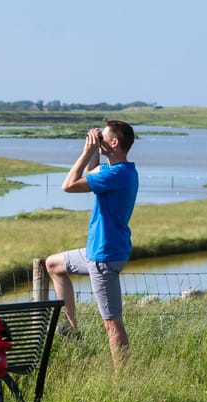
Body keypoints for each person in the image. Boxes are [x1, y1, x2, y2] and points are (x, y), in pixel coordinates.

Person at [45, 120, 138, 364]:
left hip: (103, 257)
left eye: (103, 138)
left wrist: (86, 150)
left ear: (114, 143)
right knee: (52, 264)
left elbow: (69, 185)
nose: (98, 140)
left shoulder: (116, 175)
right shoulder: (123, 171)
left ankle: (124, 378)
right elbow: (91, 173)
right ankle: (72, 329)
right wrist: (96, 150)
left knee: (112, 323)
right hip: (99, 252)